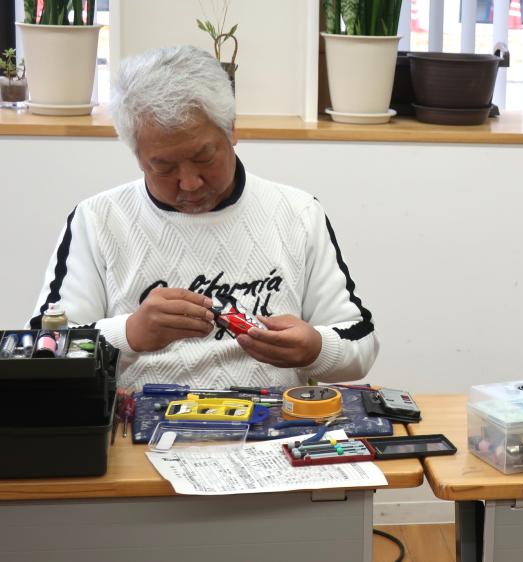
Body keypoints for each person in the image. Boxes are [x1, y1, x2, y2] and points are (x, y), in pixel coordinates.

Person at [28, 45, 378, 389]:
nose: (190, 182)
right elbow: (46, 354)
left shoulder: (297, 214)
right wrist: (129, 334)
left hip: (273, 419)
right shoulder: (97, 220)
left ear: (232, 130)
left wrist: (316, 349)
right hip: (136, 420)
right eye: (163, 167)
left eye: (204, 157)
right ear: (137, 156)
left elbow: (361, 345)